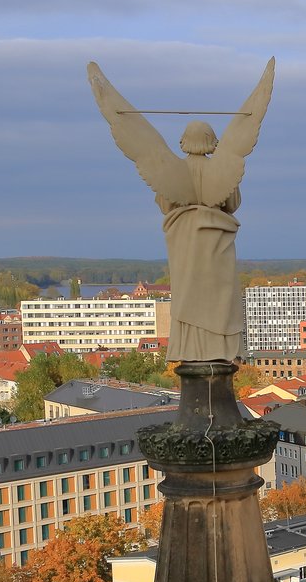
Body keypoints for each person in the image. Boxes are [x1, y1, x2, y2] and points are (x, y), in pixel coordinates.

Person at [88, 59, 274, 363]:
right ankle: (222, 349)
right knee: (219, 297)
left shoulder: (172, 169)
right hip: (217, 243)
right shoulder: (222, 169)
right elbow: (232, 204)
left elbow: (165, 204)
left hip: (184, 242)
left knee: (189, 293)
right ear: (212, 142)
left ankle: (190, 348)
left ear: (185, 142)